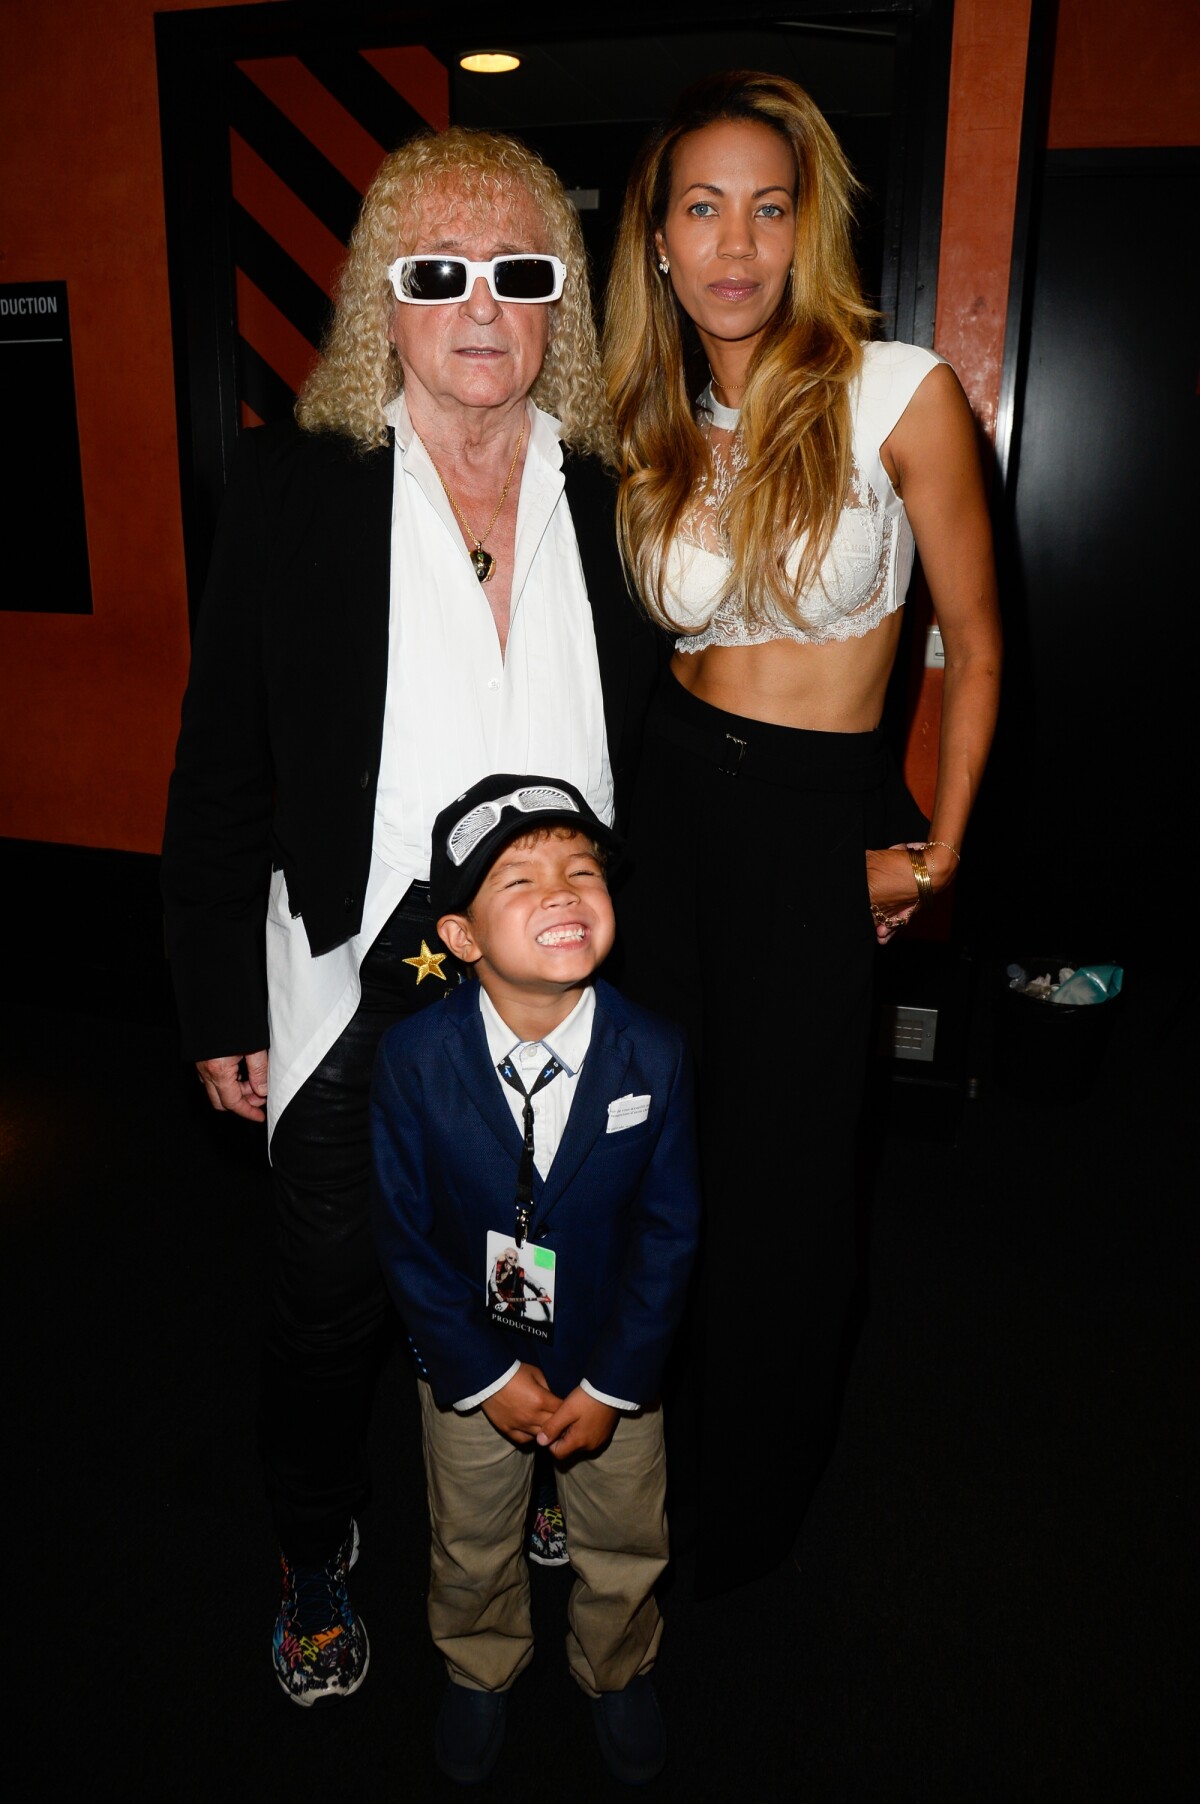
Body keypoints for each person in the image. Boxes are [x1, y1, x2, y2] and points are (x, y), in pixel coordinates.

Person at [159, 127, 658, 1705]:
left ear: (560, 302)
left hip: (571, 988)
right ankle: (315, 1541)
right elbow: (221, 760)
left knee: (563, 1254)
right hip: (355, 986)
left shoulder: (619, 492)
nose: (481, 310)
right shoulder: (300, 486)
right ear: (384, 297)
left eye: (520, 274)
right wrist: (215, 1006)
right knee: (327, 1306)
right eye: (438, 274)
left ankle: (554, 1488)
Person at [602, 71, 1002, 1597]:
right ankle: (642, 1463)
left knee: (791, 1194)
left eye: (769, 205)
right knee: (652, 1172)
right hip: (664, 822)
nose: (736, 240)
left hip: (809, 829)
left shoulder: (900, 391)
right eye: (701, 206)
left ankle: (751, 1512)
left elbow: (972, 640)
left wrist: (938, 848)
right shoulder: (650, 418)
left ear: (808, 221)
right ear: (658, 240)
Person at [369, 774, 700, 1785]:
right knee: (469, 1531)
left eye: (581, 870)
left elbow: (670, 1230)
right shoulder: (412, 1059)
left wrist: (611, 1384)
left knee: (624, 1532)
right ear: (461, 937)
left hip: (611, 1359)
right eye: (520, 878)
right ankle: (478, 1661)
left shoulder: (656, 1051)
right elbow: (404, 1232)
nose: (562, 889)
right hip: (473, 1365)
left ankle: (615, 1660)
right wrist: (477, 1372)